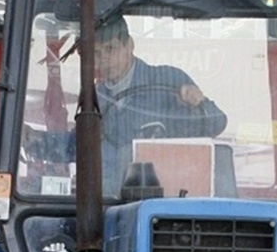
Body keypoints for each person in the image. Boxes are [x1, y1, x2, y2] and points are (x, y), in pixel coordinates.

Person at [91, 14, 228, 192]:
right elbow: (79, 151)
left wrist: (197, 104)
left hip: (165, 198)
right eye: (97, 53)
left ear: (129, 45)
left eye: (110, 49)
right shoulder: (94, 98)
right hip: (109, 199)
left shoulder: (169, 81)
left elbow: (216, 124)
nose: (103, 60)